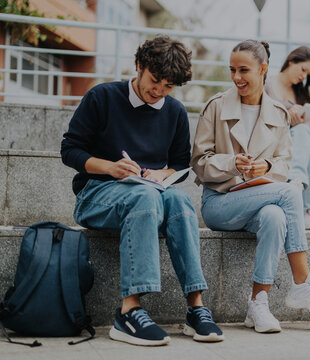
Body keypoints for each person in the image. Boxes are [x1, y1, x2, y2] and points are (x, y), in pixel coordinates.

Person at [61, 35, 223, 346]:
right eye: (155, 80)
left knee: (178, 198)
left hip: (149, 196)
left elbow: (178, 165)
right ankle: (129, 311)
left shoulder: (174, 112)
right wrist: (110, 167)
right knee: (146, 196)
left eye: (168, 86)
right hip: (96, 195)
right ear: (139, 66)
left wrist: (165, 173)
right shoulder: (101, 97)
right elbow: (70, 151)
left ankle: (196, 308)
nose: (159, 90)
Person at [191, 39, 310, 334]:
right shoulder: (216, 107)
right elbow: (199, 163)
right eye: (232, 70)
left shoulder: (279, 113)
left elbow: (284, 164)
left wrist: (268, 167)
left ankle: (258, 303)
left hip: (260, 201)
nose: (237, 77)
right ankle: (302, 282)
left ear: (263, 69)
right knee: (291, 191)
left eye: (244, 70)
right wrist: (234, 163)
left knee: (275, 216)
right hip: (220, 203)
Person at [264, 46, 310, 230]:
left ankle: (296, 185)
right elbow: (260, 117)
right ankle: (305, 209)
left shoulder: (300, 94)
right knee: (305, 142)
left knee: (304, 132)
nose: (303, 77)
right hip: (271, 137)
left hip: (293, 140)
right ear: (292, 61)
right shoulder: (266, 83)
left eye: (308, 75)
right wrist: (287, 116)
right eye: (303, 70)